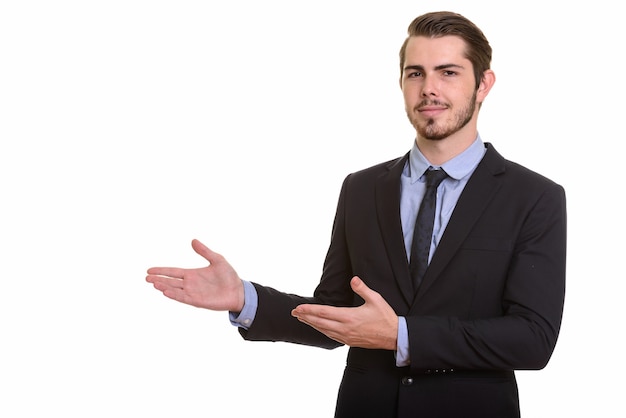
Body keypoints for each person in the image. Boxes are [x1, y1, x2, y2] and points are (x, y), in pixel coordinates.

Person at [146, 10, 566, 418]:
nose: (429, 88)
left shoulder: (534, 197)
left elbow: (533, 339)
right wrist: (245, 297)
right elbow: (337, 312)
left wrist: (402, 336)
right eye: (415, 73)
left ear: (483, 84)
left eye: (448, 72)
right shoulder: (362, 189)